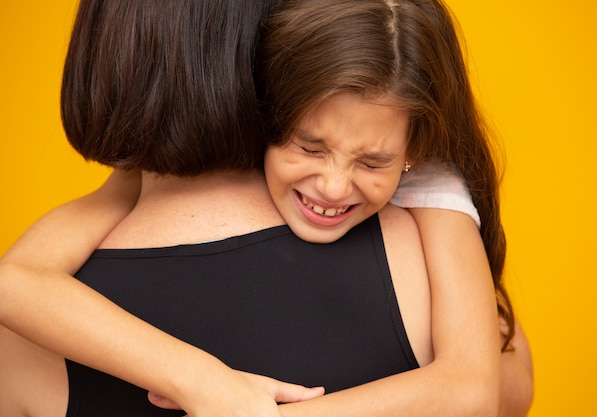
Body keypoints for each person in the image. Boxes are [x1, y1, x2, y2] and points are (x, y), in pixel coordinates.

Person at [0, 0, 533, 416]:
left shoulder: (431, 186)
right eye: (308, 145)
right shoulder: (415, 239)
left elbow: (479, 391)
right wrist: (207, 383)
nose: (333, 184)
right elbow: (511, 385)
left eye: (374, 162)